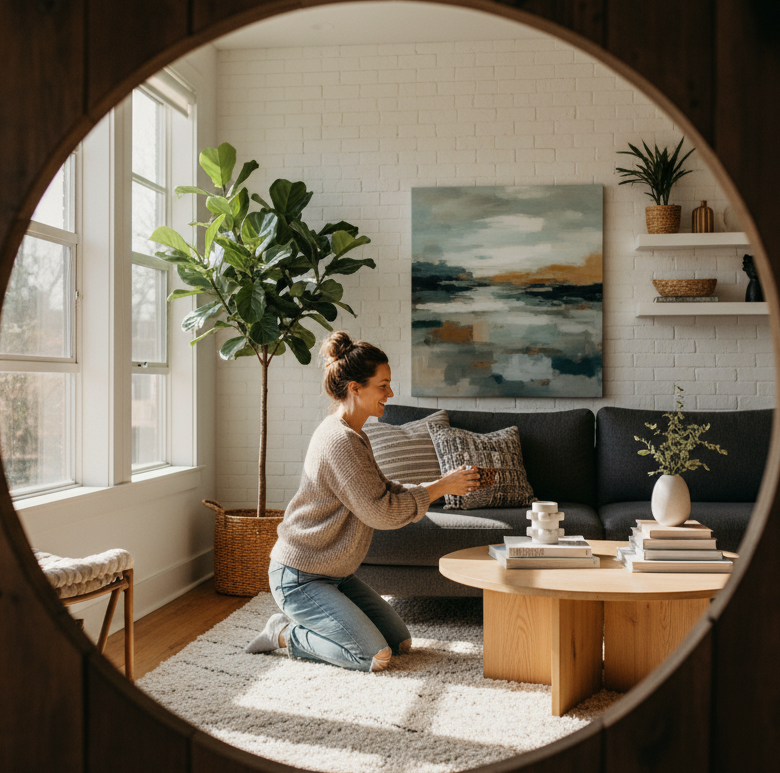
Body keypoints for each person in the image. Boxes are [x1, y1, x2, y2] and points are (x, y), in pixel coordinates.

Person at [245, 331, 479, 672]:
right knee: (373, 656)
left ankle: (316, 623)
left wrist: (439, 484)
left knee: (400, 642)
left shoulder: (356, 435)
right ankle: (283, 633)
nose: (391, 393)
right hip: (299, 576)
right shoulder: (340, 441)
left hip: (335, 576)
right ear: (355, 387)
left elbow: (383, 489)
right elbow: (381, 512)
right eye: (382, 385)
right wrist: (440, 487)